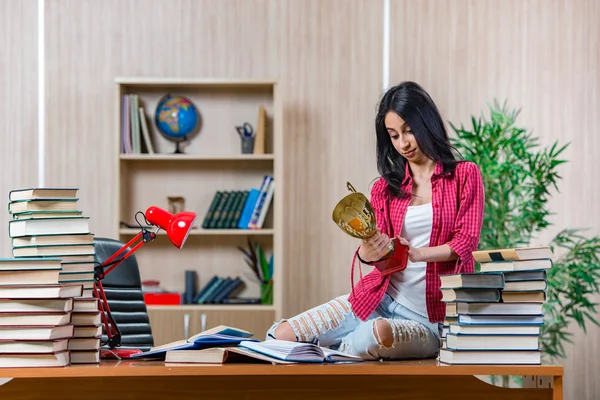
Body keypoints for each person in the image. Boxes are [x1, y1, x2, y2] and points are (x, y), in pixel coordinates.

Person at [266, 81, 485, 360]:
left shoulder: (465, 175)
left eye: (408, 131)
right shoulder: (384, 188)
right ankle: (326, 350)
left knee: (374, 335)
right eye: (393, 135)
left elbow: (465, 243)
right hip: (377, 298)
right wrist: (369, 254)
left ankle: (328, 353)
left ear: (426, 123)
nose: (402, 143)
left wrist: (417, 254)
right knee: (282, 335)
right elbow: (381, 260)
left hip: (429, 318)